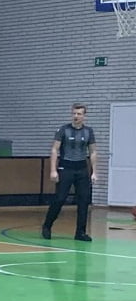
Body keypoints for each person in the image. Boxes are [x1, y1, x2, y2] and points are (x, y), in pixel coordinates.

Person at [41, 103, 97, 242]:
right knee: (60, 198)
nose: (76, 116)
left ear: (84, 116)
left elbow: (93, 152)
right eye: (74, 113)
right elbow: (54, 149)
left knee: (84, 200)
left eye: (79, 114)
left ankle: (80, 232)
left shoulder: (88, 131)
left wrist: (94, 172)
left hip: (82, 168)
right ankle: (47, 225)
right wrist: (53, 170)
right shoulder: (63, 130)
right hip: (66, 167)